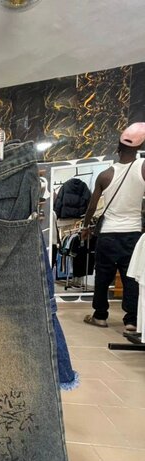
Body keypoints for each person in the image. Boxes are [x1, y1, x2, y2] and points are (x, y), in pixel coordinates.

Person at [82, 122, 145, 331]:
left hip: (108, 234)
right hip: (133, 233)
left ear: (118, 146)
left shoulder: (105, 175)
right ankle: (131, 320)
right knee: (131, 277)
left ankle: (100, 316)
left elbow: (92, 207)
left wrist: (85, 227)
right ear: (139, 147)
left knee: (103, 276)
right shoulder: (142, 167)